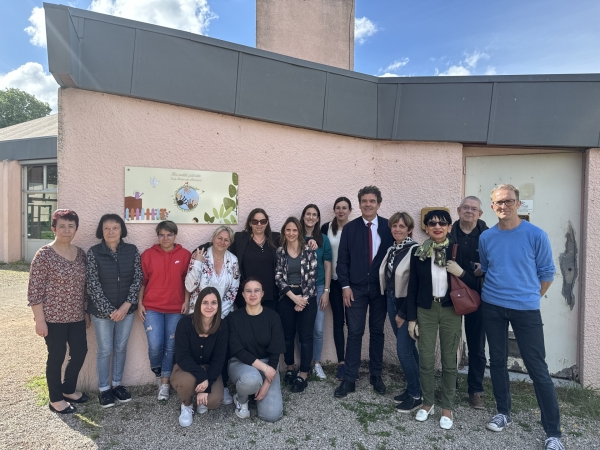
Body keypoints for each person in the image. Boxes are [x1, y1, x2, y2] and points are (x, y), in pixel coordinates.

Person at [479, 184, 564, 450]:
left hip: (525, 308)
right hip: (492, 305)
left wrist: (528, 296)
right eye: (498, 203)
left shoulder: (536, 234)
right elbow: (488, 267)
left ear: (518, 203)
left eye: (508, 201)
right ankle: (503, 412)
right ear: (492, 207)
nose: (503, 206)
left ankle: (553, 433)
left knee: (537, 367)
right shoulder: (487, 237)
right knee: (498, 360)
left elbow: (547, 274)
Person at [404, 209, 478, 430]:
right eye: (432, 223)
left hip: (450, 310)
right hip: (425, 310)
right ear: (426, 227)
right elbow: (413, 287)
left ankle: (447, 406)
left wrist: (461, 273)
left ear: (448, 227)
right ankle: (428, 404)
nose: (437, 226)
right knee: (426, 360)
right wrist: (411, 318)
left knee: (449, 360)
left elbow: (474, 284)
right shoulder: (419, 252)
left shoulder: (458, 250)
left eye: (442, 223)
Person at [27, 209, 89, 414]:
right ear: (53, 228)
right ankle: (55, 399)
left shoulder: (80, 254)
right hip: (53, 318)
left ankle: (68, 389)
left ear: (76, 229)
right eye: (62, 226)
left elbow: (84, 287)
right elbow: (35, 291)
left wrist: (86, 311)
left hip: (76, 315)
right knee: (57, 356)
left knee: (80, 352)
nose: (66, 230)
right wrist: (39, 320)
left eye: (71, 226)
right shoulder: (44, 255)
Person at [334, 186, 393, 398]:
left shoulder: (388, 227)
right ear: (359, 204)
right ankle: (349, 379)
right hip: (355, 290)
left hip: (380, 290)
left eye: (372, 201)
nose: (368, 204)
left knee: (377, 332)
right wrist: (345, 286)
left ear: (379, 203)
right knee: (355, 333)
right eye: (364, 201)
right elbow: (342, 261)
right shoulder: (350, 229)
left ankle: (376, 375)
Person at [87, 213, 142, 408]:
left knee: (120, 348)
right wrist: (111, 311)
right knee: (105, 350)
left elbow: (138, 278)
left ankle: (117, 384)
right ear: (101, 231)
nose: (111, 232)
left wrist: (126, 305)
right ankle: (104, 389)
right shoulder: (93, 252)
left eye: (115, 228)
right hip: (102, 313)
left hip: (126, 310)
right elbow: (92, 284)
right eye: (106, 228)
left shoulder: (132, 250)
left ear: (122, 230)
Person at [185, 225, 239, 405]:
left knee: (221, 352)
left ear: (230, 243)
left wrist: (217, 315)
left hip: (222, 315)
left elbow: (233, 290)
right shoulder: (200, 255)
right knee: (197, 351)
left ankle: (221, 386)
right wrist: (198, 263)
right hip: (198, 315)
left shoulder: (233, 260)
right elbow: (190, 286)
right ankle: (194, 388)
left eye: (226, 239)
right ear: (213, 237)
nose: (222, 242)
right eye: (219, 238)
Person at [139, 220, 191, 401]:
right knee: (155, 345)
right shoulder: (147, 255)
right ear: (157, 236)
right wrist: (140, 303)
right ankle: (158, 372)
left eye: (169, 235)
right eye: (162, 234)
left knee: (170, 347)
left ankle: (165, 384)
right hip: (152, 307)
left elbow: (187, 281)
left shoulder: (185, 255)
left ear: (175, 236)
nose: (165, 238)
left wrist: (186, 301)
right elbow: (143, 281)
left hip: (176, 308)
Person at [379, 212, 421, 413]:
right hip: (391, 300)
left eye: (402, 226)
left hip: (406, 305)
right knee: (410, 350)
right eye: (394, 226)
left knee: (404, 352)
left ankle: (416, 396)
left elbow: (415, 286)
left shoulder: (415, 251)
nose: (397, 229)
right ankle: (415, 388)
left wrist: (403, 313)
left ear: (409, 229)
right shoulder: (393, 249)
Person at [228, 277, 286, 422]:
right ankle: (241, 399)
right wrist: (265, 370)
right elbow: (237, 350)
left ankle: (256, 388)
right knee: (250, 380)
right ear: (243, 294)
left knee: (271, 415)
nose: (252, 294)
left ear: (262, 294)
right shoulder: (233, 318)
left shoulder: (273, 317)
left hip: (268, 363)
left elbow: (275, 351)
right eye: (248, 291)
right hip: (240, 363)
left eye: (256, 291)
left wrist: (267, 383)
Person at [450, 196, 488, 409]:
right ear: (458, 210)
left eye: (474, 209)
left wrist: (486, 267)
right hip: (453, 296)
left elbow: (498, 263)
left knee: (477, 347)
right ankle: (450, 384)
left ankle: (475, 391)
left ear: (480, 214)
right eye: (466, 208)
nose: (469, 211)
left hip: (479, 296)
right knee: (450, 344)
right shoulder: (448, 234)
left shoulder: (489, 236)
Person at [172, 287, 228, 427]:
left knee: (214, 401)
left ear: (218, 306)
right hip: (186, 368)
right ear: (198, 304)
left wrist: (207, 386)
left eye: (214, 303)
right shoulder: (185, 324)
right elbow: (182, 356)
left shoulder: (222, 326)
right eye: (205, 302)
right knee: (187, 383)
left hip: (211, 369)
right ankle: (187, 404)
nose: (209, 307)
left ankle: (201, 398)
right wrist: (202, 377)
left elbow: (219, 359)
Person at [275, 217, 318, 393]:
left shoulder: (309, 250)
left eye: (294, 230)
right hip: (287, 297)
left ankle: (304, 374)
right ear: (284, 232)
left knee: (306, 337)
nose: (291, 233)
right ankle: (290, 368)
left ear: (299, 232)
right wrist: (294, 298)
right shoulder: (280, 252)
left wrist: (303, 299)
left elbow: (312, 277)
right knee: (287, 336)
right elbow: (278, 276)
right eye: (288, 230)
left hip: (307, 298)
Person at [320, 196, 353, 380]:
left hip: (350, 283)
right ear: (334, 210)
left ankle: (352, 361)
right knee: (338, 322)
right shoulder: (326, 228)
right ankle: (342, 362)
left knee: (353, 323)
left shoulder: (355, 228)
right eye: (338, 208)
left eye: (344, 208)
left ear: (350, 210)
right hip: (332, 281)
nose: (341, 211)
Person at [300, 204, 332, 380]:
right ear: (303, 216)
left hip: (319, 287)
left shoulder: (324, 239)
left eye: (314, 215)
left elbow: (328, 266)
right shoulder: (295, 236)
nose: (311, 217)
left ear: (318, 219)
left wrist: (326, 290)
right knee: (301, 328)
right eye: (308, 214)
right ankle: (303, 363)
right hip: (301, 288)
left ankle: (316, 363)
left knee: (318, 329)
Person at [227, 209, 280, 311]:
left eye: (263, 221)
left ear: (267, 222)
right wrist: (199, 250)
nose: (259, 224)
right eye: (255, 221)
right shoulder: (240, 238)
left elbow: (294, 241)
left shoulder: (276, 238)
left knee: (267, 324)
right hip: (247, 295)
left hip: (270, 294)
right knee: (247, 325)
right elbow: (221, 244)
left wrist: (311, 240)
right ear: (250, 223)